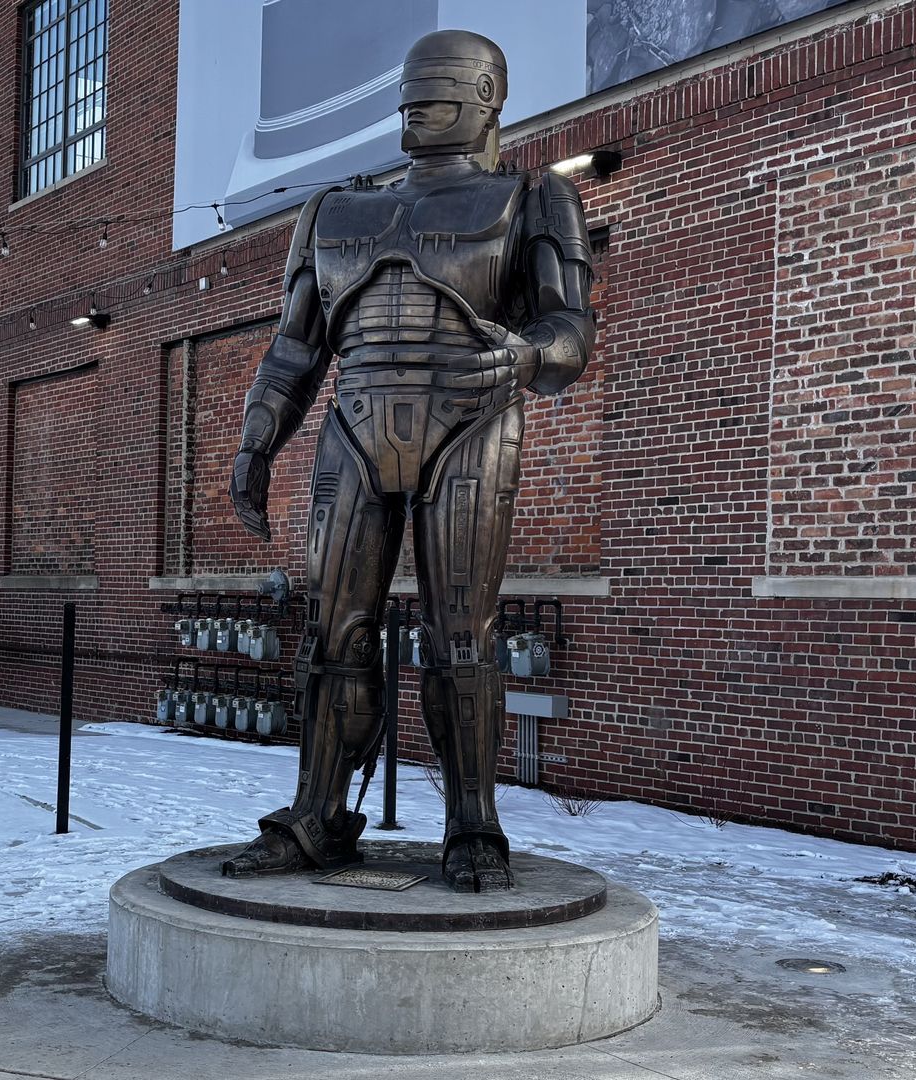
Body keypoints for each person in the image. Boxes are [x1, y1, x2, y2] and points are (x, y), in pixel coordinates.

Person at [222, 29, 596, 892]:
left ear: (487, 95)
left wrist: (529, 354)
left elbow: (571, 329)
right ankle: (317, 816)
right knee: (330, 633)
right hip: (354, 424)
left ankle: (473, 824)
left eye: (439, 86)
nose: (418, 102)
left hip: (472, 420)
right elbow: (295, 346)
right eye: (413, 89)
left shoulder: (534, 198)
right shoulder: (331, 211)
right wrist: (256, 439)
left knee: (462, 635)